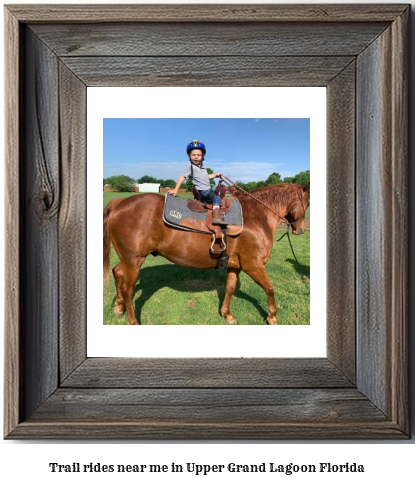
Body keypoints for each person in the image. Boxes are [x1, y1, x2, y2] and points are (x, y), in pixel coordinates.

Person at [168, 140, 227, 226]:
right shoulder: (190, 166)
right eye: (193, 155)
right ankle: (216, 218)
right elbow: (182, 177)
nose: (196, 157)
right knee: (216, 198)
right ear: (189, 155)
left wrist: (215, 175)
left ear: (202, 156)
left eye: (198, 155)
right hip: (203, 190)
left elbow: (206, 176)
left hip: (207, 189)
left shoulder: (202, 167)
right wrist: (175, 189)